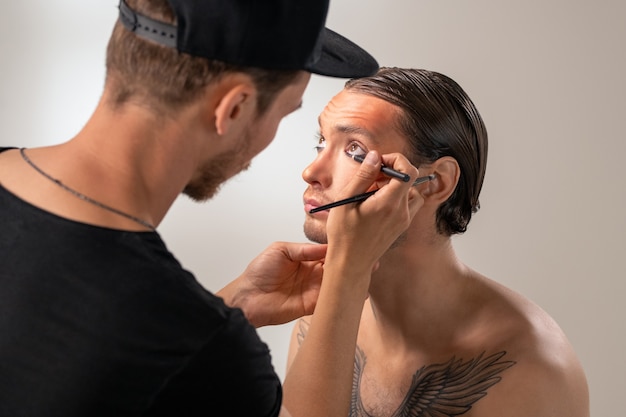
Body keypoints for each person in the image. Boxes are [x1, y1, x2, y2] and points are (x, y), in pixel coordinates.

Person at [0, 2, 424, 416]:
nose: (311, 169)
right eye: (284, 112)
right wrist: (347, 275)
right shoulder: (203, 345)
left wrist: (232, 306)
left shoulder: (187, 339)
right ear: (233, 108)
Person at [288, 67, 590, 417]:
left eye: (355, 150)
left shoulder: (530, 368)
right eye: (321, 142)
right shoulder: (315, 322)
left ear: (435, 183)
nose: (311, 172)